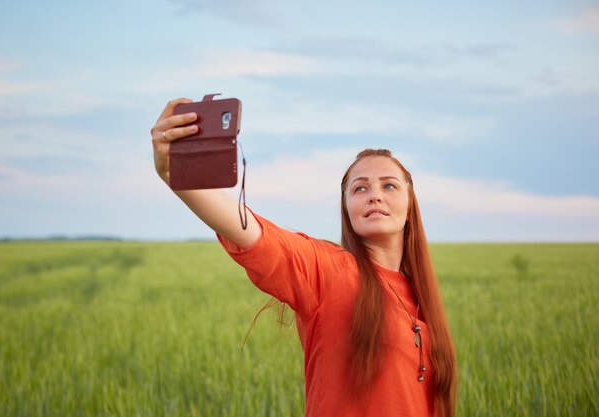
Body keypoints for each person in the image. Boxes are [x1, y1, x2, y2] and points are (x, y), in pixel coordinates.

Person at [151, 98, 458, 417]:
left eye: (389, 185)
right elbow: (250, 231)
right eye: (360, 189)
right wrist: (176, 172)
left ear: (410, 206)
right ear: (347, 209)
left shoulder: (420, 295)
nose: (375, 195)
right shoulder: (330, 271)